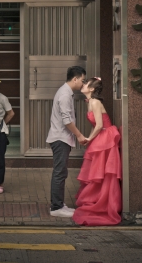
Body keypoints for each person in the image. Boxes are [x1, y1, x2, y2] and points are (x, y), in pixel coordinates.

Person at [72, 77, 122, 226]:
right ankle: (98, 199)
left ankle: (104, 203)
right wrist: (90, 139)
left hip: (105, 137)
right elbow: (95, 126)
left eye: (86, 84)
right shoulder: (90, 102)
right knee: (97, 173)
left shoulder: (95, 102)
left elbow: (100, 125)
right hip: (100, 137)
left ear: (92, 89)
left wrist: (89, 138)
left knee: (102, 173)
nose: (83, 85)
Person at [47, 65, 88, 218]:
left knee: (61, 172)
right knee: (60, 172)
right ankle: (56, 207)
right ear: (75, 78)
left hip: (61, 138)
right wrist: (79, 135)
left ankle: (59, 204)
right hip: (60, 138)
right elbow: (67, 121)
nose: (83, 84)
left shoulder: (65, 92)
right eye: (82, 80)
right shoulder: (65, 94)